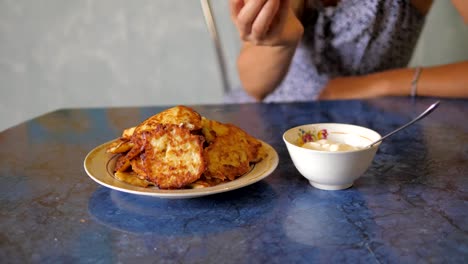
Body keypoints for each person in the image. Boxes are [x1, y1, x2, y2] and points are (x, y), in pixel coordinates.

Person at [226, 0, 468, 103]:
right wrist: (281, 43)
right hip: (272, 130)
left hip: (372, 130)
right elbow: (254, 86)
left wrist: (376, 85)